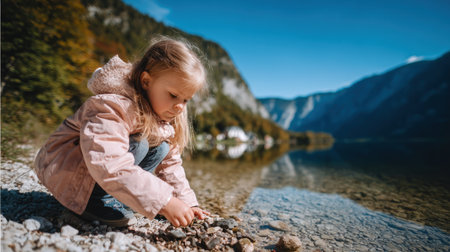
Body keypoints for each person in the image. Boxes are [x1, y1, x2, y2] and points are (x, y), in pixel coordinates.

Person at [34, 37, 210, 227]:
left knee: (162, 148)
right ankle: (94, 202)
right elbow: (108, 161)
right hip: (68, 175)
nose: (180, 107)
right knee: (140, 143)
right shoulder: (112, 106)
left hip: (99, 176)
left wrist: (186, 202)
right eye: (174, 95)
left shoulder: (163, 118)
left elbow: (171, 166)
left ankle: (118, 198)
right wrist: (164, 202)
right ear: (146, 81)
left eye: (186, 100)